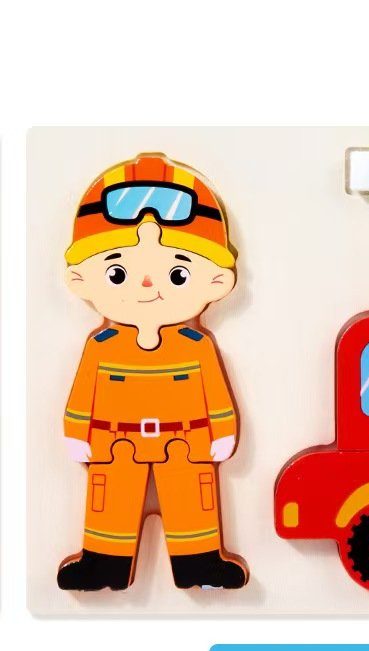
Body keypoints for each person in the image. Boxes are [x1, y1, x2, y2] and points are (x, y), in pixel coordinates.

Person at [57, 154, 248, 591]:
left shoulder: (197, 346)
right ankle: (103, 563)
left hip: (186, 442)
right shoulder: (101, 346)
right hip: (114, 443)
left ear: (217, 281)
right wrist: (76, 431)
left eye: (178, 274)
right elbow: (83, 393)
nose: (147, 286)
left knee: (193, 503)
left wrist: (223, 430)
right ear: (80, 279)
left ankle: (201, 562)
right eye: (117, 273)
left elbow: (216, 393)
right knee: (109, 504)